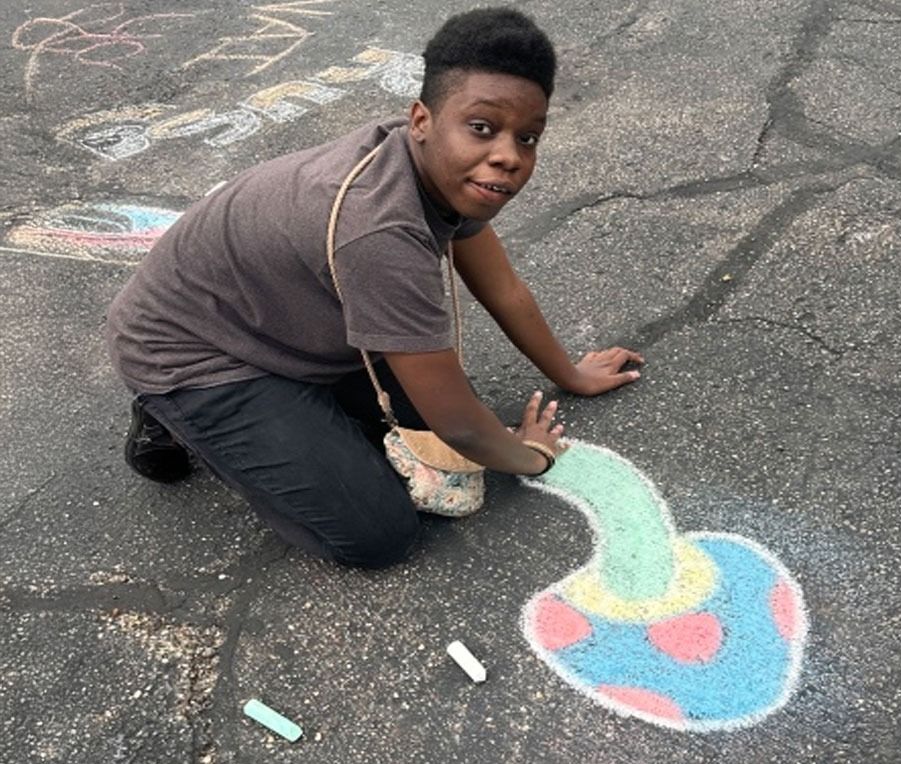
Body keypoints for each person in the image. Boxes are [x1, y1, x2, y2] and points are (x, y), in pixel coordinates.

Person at [105, 7, 643, 568]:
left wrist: (571, 375)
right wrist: (535, 457)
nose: (508, 156)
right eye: (482, 128)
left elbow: (502, 288)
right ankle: (175, 420)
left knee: (439, 412)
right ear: (421, 120)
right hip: (193, 351)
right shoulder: (380, 229)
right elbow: (461, 426)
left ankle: (298, 407)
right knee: (378, 533)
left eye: (527, 137)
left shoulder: (445, 172)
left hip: (281, 317)